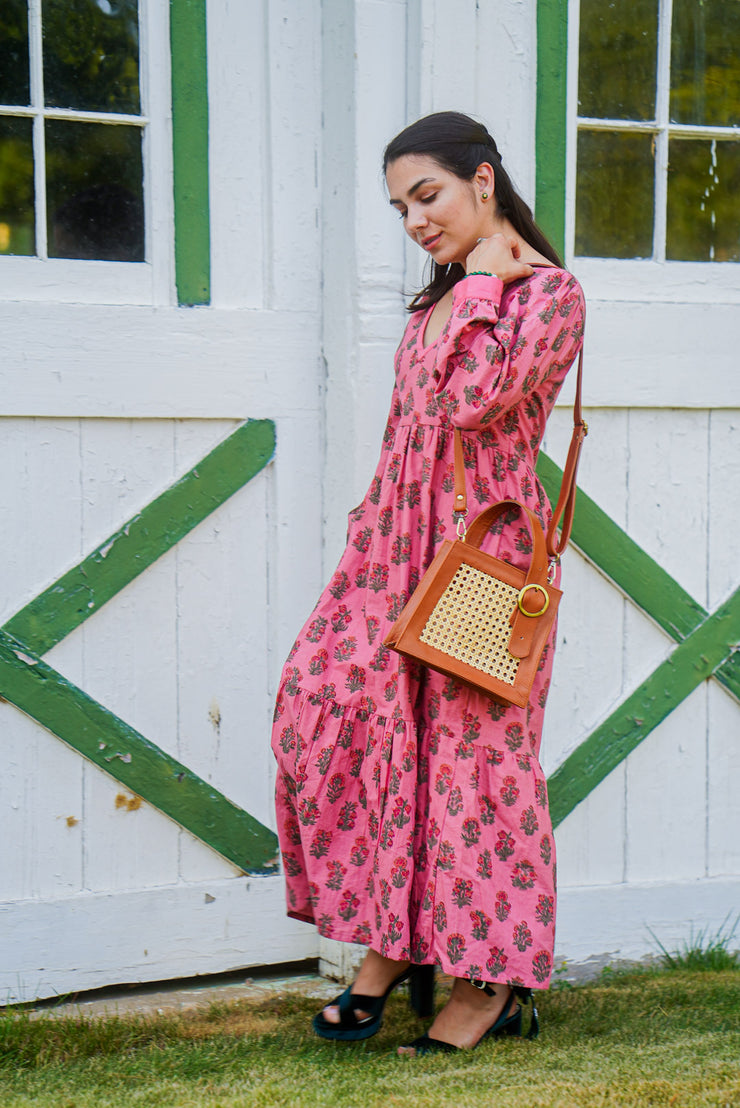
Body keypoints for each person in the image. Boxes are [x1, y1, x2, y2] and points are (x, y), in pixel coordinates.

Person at [271, 110, 585, 1055]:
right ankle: (399, 944)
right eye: (401, 205)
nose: (414, 220)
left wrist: (488, 279)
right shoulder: (436, 300)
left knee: (476, 770)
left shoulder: (548, 295)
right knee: (333, 717)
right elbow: (410, 434)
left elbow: (471, 403)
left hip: (482, 561)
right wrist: (368, 542)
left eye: (428, 195)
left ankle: (490, 981)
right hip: (393, 547)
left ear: (482, 181)